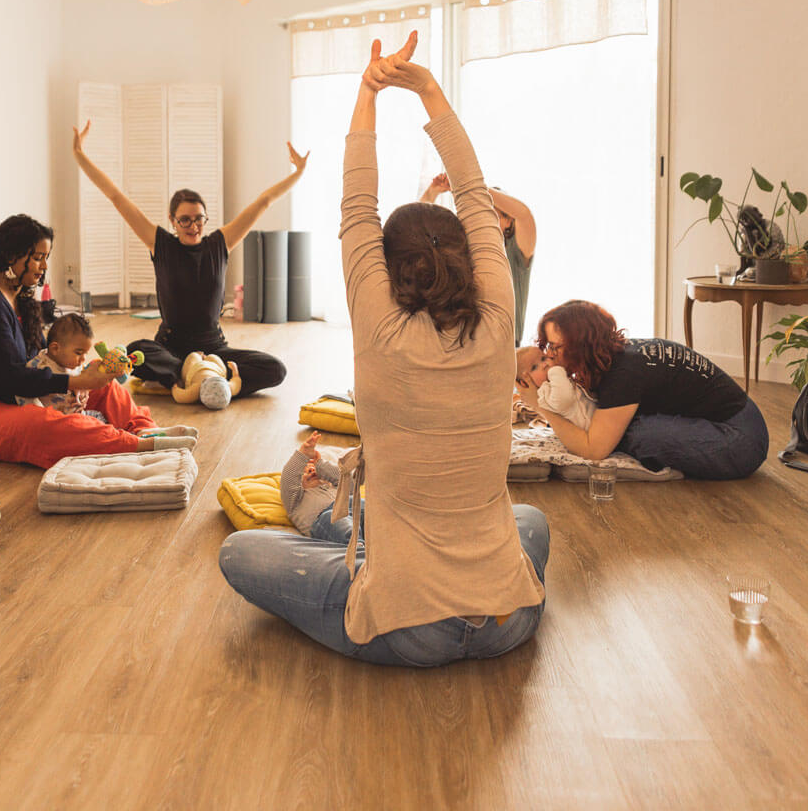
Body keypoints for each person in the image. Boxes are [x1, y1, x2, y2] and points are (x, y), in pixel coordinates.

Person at [219, 32, 548, 667]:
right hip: (510, 616)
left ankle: (339, 531)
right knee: (529, 522)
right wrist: (428, 90)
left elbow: (356, 204)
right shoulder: (501, 317)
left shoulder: (380, 330)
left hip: (408, 625)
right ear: (470, 261)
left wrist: (368, 92)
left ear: (390, 273)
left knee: (242, 554)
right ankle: (357, 536)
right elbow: (476, 197)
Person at [0, 215, 196, 468]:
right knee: (42, 424)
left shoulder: (22, 298)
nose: (45, 267)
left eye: (46, 258)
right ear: (12, 257)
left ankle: (147, 432)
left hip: (19, 398)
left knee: (105, 386)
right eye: (37, 258)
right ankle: (134, 445)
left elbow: (44, 360)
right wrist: (75, 381)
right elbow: (12, 377)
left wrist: (76, 384)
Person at [72, 123, 308, 398]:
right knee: (137, 351)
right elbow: (116, 197)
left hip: (214, 349)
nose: (193, 225)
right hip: (170, 348)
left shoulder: (220, 243)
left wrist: (299, 172)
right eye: (185, 219)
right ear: (173, 221)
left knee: (275, 369)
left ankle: (191, 380)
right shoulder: (160, 243)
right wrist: (79, 153)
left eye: (198, 218)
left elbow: (264, 201)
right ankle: (204, 378)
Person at [515, 300, 769, 479]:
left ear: (580, 345)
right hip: (739, 419)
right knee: (618, 424)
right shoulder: (619, 353)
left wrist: (540, 407)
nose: (549, 354)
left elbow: (594, 450)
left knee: (633, 434)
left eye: (555, 347)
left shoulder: (622, 376)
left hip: (741, 440)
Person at [421, 172, 535, 342]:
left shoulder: (515, 251)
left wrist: (470, 188)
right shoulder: (462, 250)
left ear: (509, 222)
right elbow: (417, 230)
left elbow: (524, 214)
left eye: (495, 213)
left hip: (505, 346)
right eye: (484, 211)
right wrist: (433, 192)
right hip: (467, 346)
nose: (487, 218)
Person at [16, 311, 106, 419]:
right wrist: (43, 418)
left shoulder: (76, 364)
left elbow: (83, 382)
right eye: (78, 353)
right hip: (55, 425)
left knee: (101, 418)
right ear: (55, 349)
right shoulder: (38, 368)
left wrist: (83, 392)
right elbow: (24, 396)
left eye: (85, 353)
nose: (83, 359)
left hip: (79, 416)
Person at [279, 429, 344, 537]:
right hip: (327, 522)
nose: (311, 470)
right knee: (333, 517)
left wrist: (320, 464)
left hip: (356, 514)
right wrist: (303, 454)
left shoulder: (334, 488)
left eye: (314, 468)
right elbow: (289, 478)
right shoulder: (295, 501)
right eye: (304, 472)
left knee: (363, 505)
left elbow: (346, 479)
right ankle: (359, 548)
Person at [515, 344, 596, 431]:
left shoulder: (555, 382)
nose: (544, 365)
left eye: (543, 358)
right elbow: (564, 399)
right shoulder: (544, 393)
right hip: (589, 429)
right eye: (534, 367)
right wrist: (556, 370)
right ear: (525, 383)